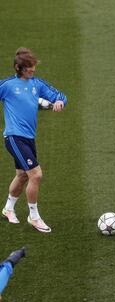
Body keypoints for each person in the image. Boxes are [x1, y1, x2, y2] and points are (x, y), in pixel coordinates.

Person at [0, 48, 67, 233]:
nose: (33, 70)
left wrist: (60, 101)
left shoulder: (37, 84)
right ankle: (34, 217)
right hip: (14, 136)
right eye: (29, 67)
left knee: (22, 175)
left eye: (33, 66)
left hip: (29, 138)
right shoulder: (7, 85)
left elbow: (60, 95)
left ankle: (8, 209)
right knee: (35, 175)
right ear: (18, 67)